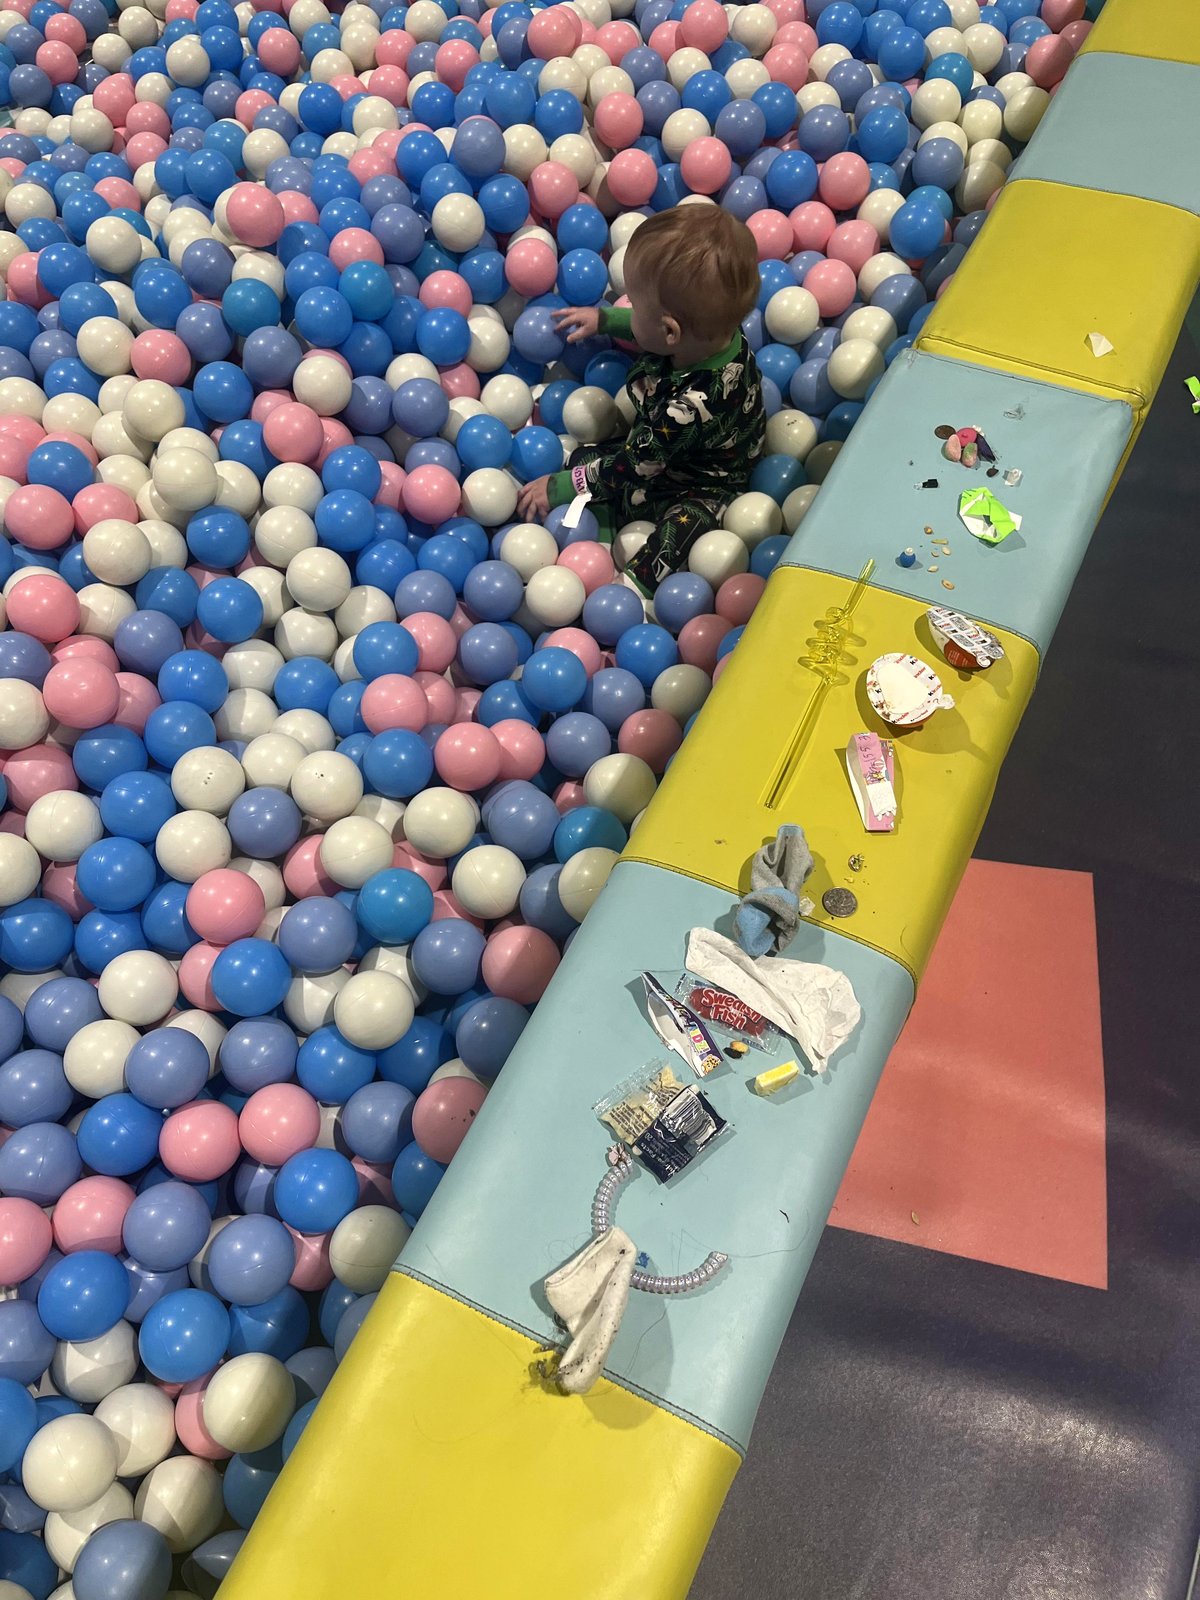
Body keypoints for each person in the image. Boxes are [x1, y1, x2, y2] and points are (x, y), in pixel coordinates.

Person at [516, 205, 766, 595]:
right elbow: (654, 331)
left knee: (680, 530)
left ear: (670, 332)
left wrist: (560, 488)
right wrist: (605, 321)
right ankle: (599, 529)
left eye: (632, 303)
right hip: (663, 451)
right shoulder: (715, 333)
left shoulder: (687, 409)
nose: (626, 308)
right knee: (584, 458)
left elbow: (635, 465)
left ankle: (629, 591)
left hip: (706, 484)